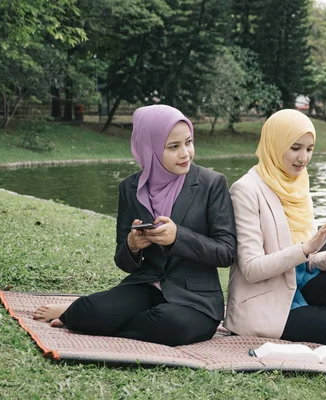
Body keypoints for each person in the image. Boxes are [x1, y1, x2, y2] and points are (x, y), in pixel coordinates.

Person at [33, 105, 237, 346]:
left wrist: (177, 237)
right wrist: (132, 245)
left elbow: (226, 252)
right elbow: (123, 261)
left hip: (194, 299)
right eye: (173, 147)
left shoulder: (211, 184)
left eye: (188, 142)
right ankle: (86, 314)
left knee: (171, 325)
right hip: (146, 287)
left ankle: (87, 319)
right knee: (92, 308)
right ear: (148, 148)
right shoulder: (130, 188)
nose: (185, 154)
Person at [224, 109, 326, 351]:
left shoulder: (298, 183)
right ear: (275, 144)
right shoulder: (245, 190)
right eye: (295, 148)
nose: (303, 158)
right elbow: (251, 269)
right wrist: (306, 247)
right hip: (268, 299)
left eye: (309, 149)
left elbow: (310, 262)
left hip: (304, 283)